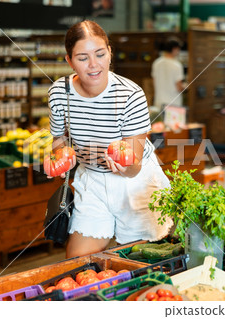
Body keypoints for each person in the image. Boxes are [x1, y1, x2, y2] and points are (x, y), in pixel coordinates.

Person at [47, 20, 173, 258]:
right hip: (92, 180)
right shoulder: (58, 93)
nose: (94, 65)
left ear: (110, 52)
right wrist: (60, 160)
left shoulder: (130, 95)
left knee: (140, 259)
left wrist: (123, 168)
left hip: (135, 185)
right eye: (82, 58)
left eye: (100, 54)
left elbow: (133, 166)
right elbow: (58, 140)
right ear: (69, 60)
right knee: (77, 260)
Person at [151, 36, 186, 108]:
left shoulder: (156, 62)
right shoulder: (177, 65)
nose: (178, 52)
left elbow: (153, 82)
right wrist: (185, 86)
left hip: (159, 102)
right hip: (173, 104)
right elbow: (179, 87)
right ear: (174, 49)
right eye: (178, 49)